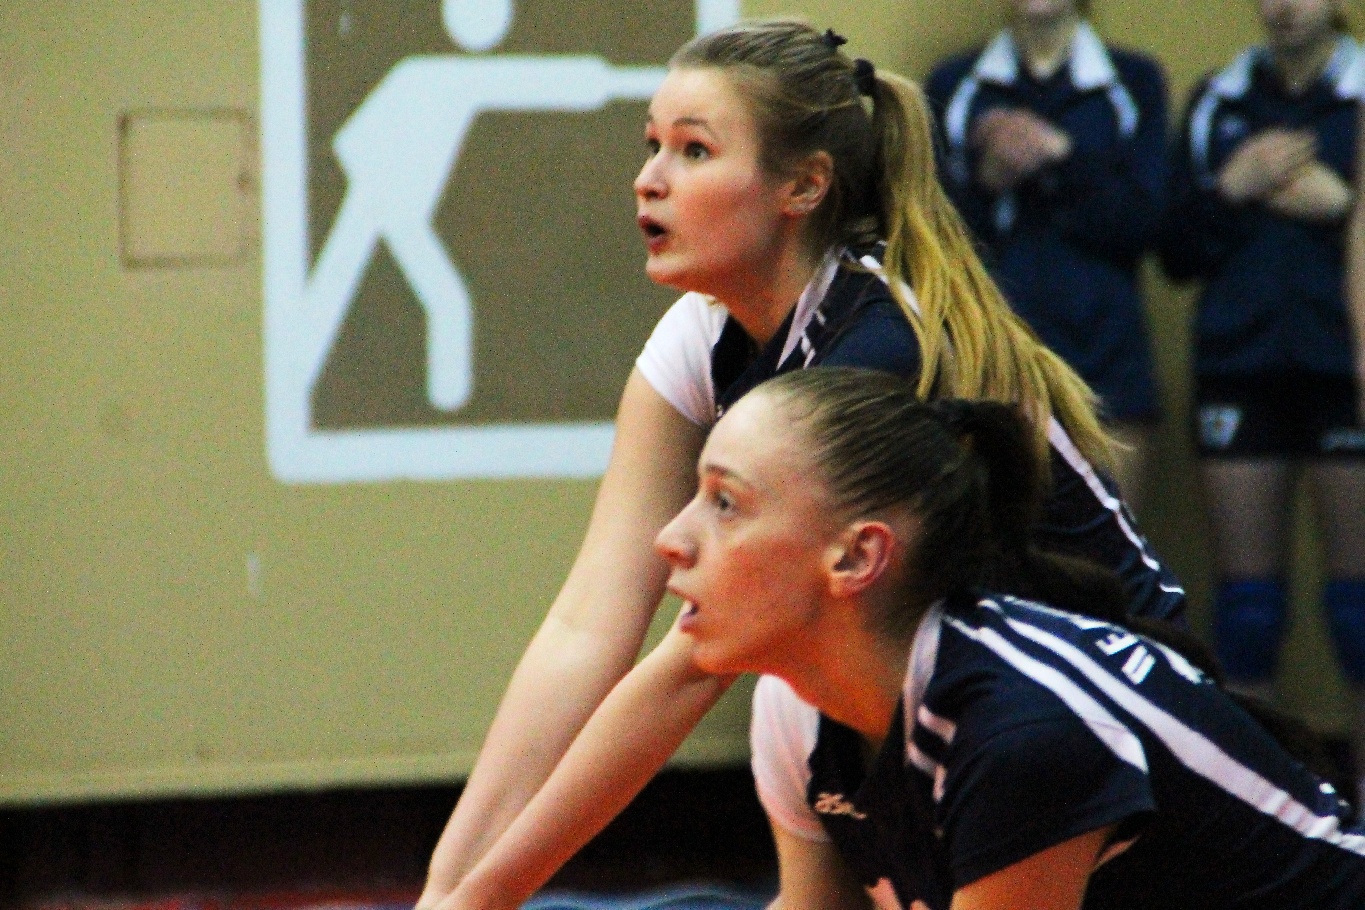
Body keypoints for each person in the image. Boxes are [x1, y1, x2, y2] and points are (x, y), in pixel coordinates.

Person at [418, 20, 1184, 909]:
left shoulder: (877, 349)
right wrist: (443, 887)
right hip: (970, 714)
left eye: (694, 150)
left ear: (803, 185)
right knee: (799, 667)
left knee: (780, 647)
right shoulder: (704, 331)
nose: (649, 178)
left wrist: (479, 900)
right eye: (651, 145)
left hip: (1122, 734)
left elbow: (692, 666)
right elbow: (587, 623)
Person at [1161, 0, 1365, 798]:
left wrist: (1341, 209)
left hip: (1344, 373)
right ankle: (1258, 809)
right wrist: (1232, 188)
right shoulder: (1218, 98)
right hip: (1238, 370)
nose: (1283, 4)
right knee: (1246, 614)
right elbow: (1174, 250)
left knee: (1357, 617)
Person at [925, 0, 1168, 508]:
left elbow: (1150, 228)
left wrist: (1059, 154)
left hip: (1105, 361)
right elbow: (931, 238)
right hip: (988, 360)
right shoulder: (953, 84)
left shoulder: (1133, 81)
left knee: (1108, 547)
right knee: (991, 547)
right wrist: (986, 183)